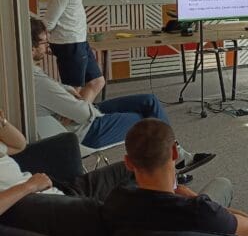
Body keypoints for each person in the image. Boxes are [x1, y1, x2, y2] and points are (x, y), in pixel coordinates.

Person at [30, 18, 210, 174]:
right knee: (146, 122)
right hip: (87, 129)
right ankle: (170, 169)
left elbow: (65, 90)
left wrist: (70, 96)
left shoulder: (30, 71)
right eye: (45, 43)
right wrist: (78, 105)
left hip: (85, 114)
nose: (48, 48)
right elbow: (83, 114)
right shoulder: (36, 80)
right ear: (30, 47)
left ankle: (177, 156)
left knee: (149, 101)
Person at [103, 118, 248, 236]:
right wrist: (198, 198)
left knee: (222, 182)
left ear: (128, 163)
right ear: (174, 152)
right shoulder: (200, 211)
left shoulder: (116, 201)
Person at [0, 109, 132, 217]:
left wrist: (2, 123)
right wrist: (30, 186)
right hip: (56, 207)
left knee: (132, 169)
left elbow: (19, 146)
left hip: (60, 191)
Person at [44, 0, 105, 101]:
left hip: (78, 41)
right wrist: (43, 42)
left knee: (97, 81)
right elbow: (50, 20)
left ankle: (81, 119)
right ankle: (69, 123)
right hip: (69, 44)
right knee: (73, 92)